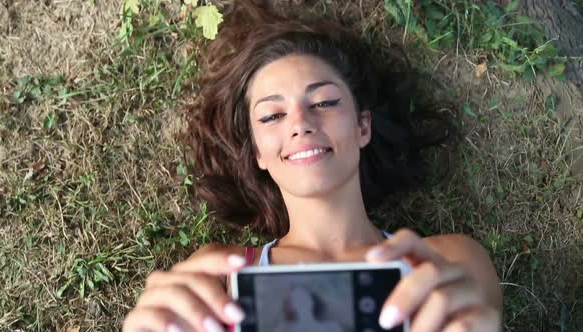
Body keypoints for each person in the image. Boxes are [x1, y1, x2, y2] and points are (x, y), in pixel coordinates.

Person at [122, 1, 503, 332]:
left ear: (362, 127)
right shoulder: (219, 277)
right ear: (257, 152)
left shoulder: (448, 262)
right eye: (272, 116)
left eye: (323, 103)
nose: (300, 122)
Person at [273, 286, 343, 332]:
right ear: (291, 307)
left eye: (305, 297)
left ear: (312, 301)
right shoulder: (283, 329)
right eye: (296, 299)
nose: (303, 301)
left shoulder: (332, 327)